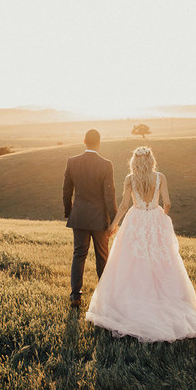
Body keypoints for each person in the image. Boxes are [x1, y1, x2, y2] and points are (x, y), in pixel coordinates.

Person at [86, 146, 196, 342]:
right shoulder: (160, 177)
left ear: (134, 161)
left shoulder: (130, 179)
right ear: (151, 160)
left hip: (136, 220)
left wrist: (113, 225)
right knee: (162, 259)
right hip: (155, 219)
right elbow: (167, 203)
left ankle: (133, 298)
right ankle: (165, 298)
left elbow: (124, 205)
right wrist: (159, 216)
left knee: (131, 260)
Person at [63, 129, 117, 307]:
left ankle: (75, 296)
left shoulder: (72, 162)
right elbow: (109, 195)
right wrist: (115, 220)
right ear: (99, 142)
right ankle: (104, 295)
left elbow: (67, 191)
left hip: (79, 216)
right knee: (102, 256)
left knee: (79, 255)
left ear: (84, 141)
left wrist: (69, 212)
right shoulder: (106, 164)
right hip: (99, 219)